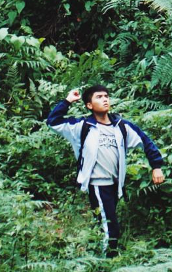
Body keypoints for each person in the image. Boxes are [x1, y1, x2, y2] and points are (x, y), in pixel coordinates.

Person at [46, 84, 165, 255]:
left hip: (115, 184)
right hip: (97, 184)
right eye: (99, 97)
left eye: (106, 96)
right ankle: (109, 260)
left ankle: (96, 254)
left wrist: (156, 166)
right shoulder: (82, 126)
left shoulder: (121, 126)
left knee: (103, 222)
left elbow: (145, 141)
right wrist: (67, 101)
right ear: (89, 105)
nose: (104, 99)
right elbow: (53, 122)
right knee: (110, 226)